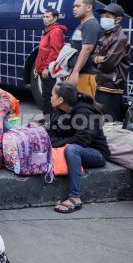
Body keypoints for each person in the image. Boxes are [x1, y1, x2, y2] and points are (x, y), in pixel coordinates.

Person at [47, 82, 110, 213]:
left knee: (72, 149)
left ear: (60, 100)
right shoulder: (59, 110)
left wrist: (58, 142)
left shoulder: (84, 112)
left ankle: (75, 197)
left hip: (96, 153)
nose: (50, 97)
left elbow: (82, 140)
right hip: (77, 149)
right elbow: (50, 134)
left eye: (52, 95)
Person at [94, 3, 131, 121]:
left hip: (111, 86)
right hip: (101, 83)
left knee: (109, 123)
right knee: (99, 121)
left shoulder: (120, 38)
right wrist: (97, 58)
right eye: (102, 16)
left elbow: (107, 64)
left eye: (107, 17)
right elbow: (92, 57)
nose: (103, 19)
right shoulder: (105, 36)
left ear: (118, 19)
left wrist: (98, 59)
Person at [34, 9, 67, 116]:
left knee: (47, 96)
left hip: (47, 70)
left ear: (55, 18)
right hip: (42, 68)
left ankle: (49, 121)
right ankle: (48, 120)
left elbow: (55, 52)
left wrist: (47, 67)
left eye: (48, 17)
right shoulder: (49, 30)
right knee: (46, 95)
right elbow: (43, 51)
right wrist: (37, 67)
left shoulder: (56, 31)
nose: (45, 19)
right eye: (44, 16)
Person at [67, 0, 101, 97]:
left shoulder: (91, 25)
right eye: (74, 6)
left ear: (89, 8)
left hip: (84, 75)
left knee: (83, 108)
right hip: (78, 73)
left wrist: (76, 71)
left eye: (78, 6)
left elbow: (86, 49)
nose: (74, 9)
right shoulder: (83, 24)